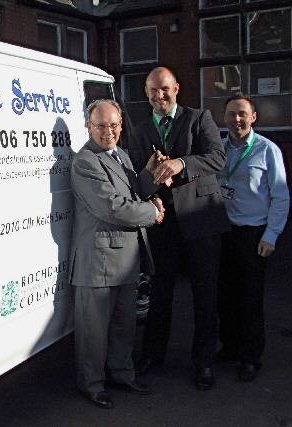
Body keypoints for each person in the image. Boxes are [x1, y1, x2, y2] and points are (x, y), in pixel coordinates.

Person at [129, 66, 230, 390]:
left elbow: (218, 157)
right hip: (163, 223)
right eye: (153, 91)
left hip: (201, 219)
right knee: (159, 293)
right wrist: (152, 177)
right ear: (147, 94)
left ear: (177, 88)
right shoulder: (140, 130)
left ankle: (204, 362)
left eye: (165, 89)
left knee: (205, 293)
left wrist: (181, 164)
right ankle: (152, 354)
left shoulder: (199, 118)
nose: (160, 96)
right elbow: (138, 180)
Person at [69, 99, 164, 409]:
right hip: (98, 263)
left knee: (124, 325)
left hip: (124, 259)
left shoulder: (119, 154)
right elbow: (113, 207)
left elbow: (134, 190)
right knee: (93, 332)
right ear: (88, 126)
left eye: (113, 125)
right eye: (100, 125)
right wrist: (152, 212)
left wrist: (152, 174)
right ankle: (92, 385)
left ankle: (122, 374)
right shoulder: (86, 161)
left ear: (121, 127)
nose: (107, 131)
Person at [215, 94, 289, 382]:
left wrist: (271, 235)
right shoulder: (218, 149)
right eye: (231, 114)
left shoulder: (267, 150)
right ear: (224, 118)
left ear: (253, 117)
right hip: (224, 232)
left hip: (253, 233)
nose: (237, 119)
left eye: (242, 114)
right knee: (225, 296)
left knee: (250, 298)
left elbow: (280, 196)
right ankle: (230, 347)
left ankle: (250, 357)